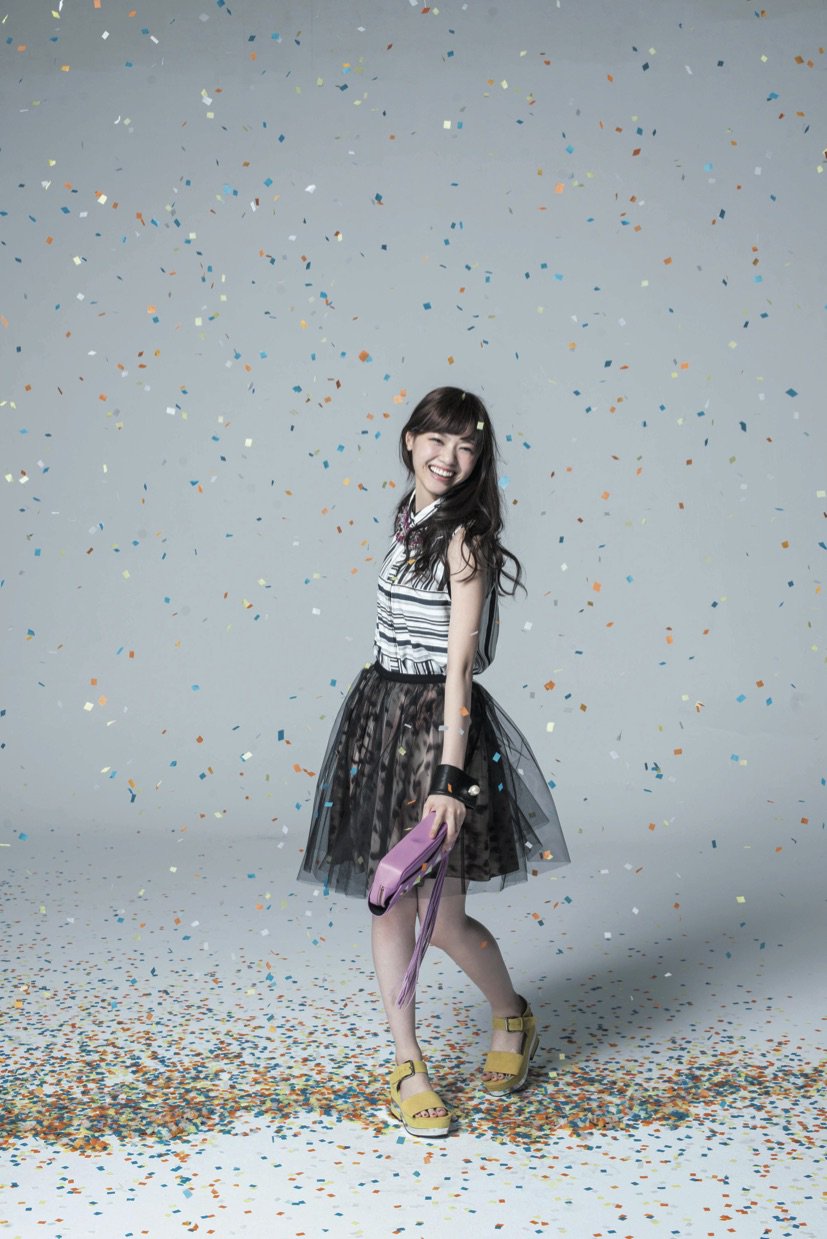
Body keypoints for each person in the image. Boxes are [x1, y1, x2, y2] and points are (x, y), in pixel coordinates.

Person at [297, 386, 570, 1138]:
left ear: (479, 459)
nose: (448, 457)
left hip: (438, 733)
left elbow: (458, 671)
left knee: (442, 920)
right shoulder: (406, 519)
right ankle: (408, 1063)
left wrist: (448, 780)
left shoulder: (465, 540)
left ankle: (511, 1015)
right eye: (437, 440)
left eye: (466, 446)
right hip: (380, 720)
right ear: (411, 440)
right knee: (387, 900)